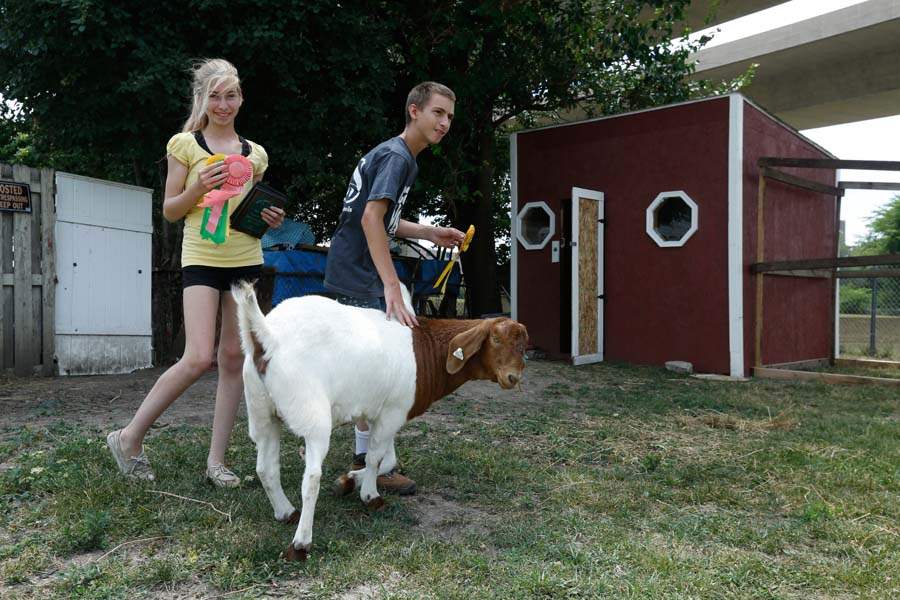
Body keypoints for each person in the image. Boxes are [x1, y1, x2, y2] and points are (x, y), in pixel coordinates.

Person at [107, 58, 285, 487]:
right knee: (198, 356)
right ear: (203, 99)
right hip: (202, 258)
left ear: (241, 98)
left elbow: (248, 210)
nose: (223, 104)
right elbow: (170, 211)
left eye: (231, 95)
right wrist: (198, 188)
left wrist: (270, 217)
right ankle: (128, 438)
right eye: (215, 96)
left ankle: (217, 462)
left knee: (232, 359)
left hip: (246, 259)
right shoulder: (184, 145)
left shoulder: (255, 154)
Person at [324, 81, 465, 496]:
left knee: (376, 369)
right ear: (414, 111)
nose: (444, 123)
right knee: (383, 368)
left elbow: (382, 219)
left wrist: (428, 231)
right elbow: (370, 220)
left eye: (450, 117)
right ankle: (373, 464)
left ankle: (370, 460)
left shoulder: (399, 156)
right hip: (359, 271)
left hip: (353, 267)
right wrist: (390, 284)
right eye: (438, 113)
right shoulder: (397, 156)